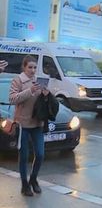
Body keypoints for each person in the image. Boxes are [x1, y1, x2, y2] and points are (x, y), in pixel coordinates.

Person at [9, 55, 50, 196]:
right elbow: (12, 98)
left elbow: (44, 102)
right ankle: (24, 185)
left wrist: (46, 95)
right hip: (23, 124)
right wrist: (30, 90)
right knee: (24, 156)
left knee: (40, 154)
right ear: (24, 67)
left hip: (37, 124)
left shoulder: (39, 81)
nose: (32, 70)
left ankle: (33, 180)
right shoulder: (18, 80)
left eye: (34, 67)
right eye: (30, 67)